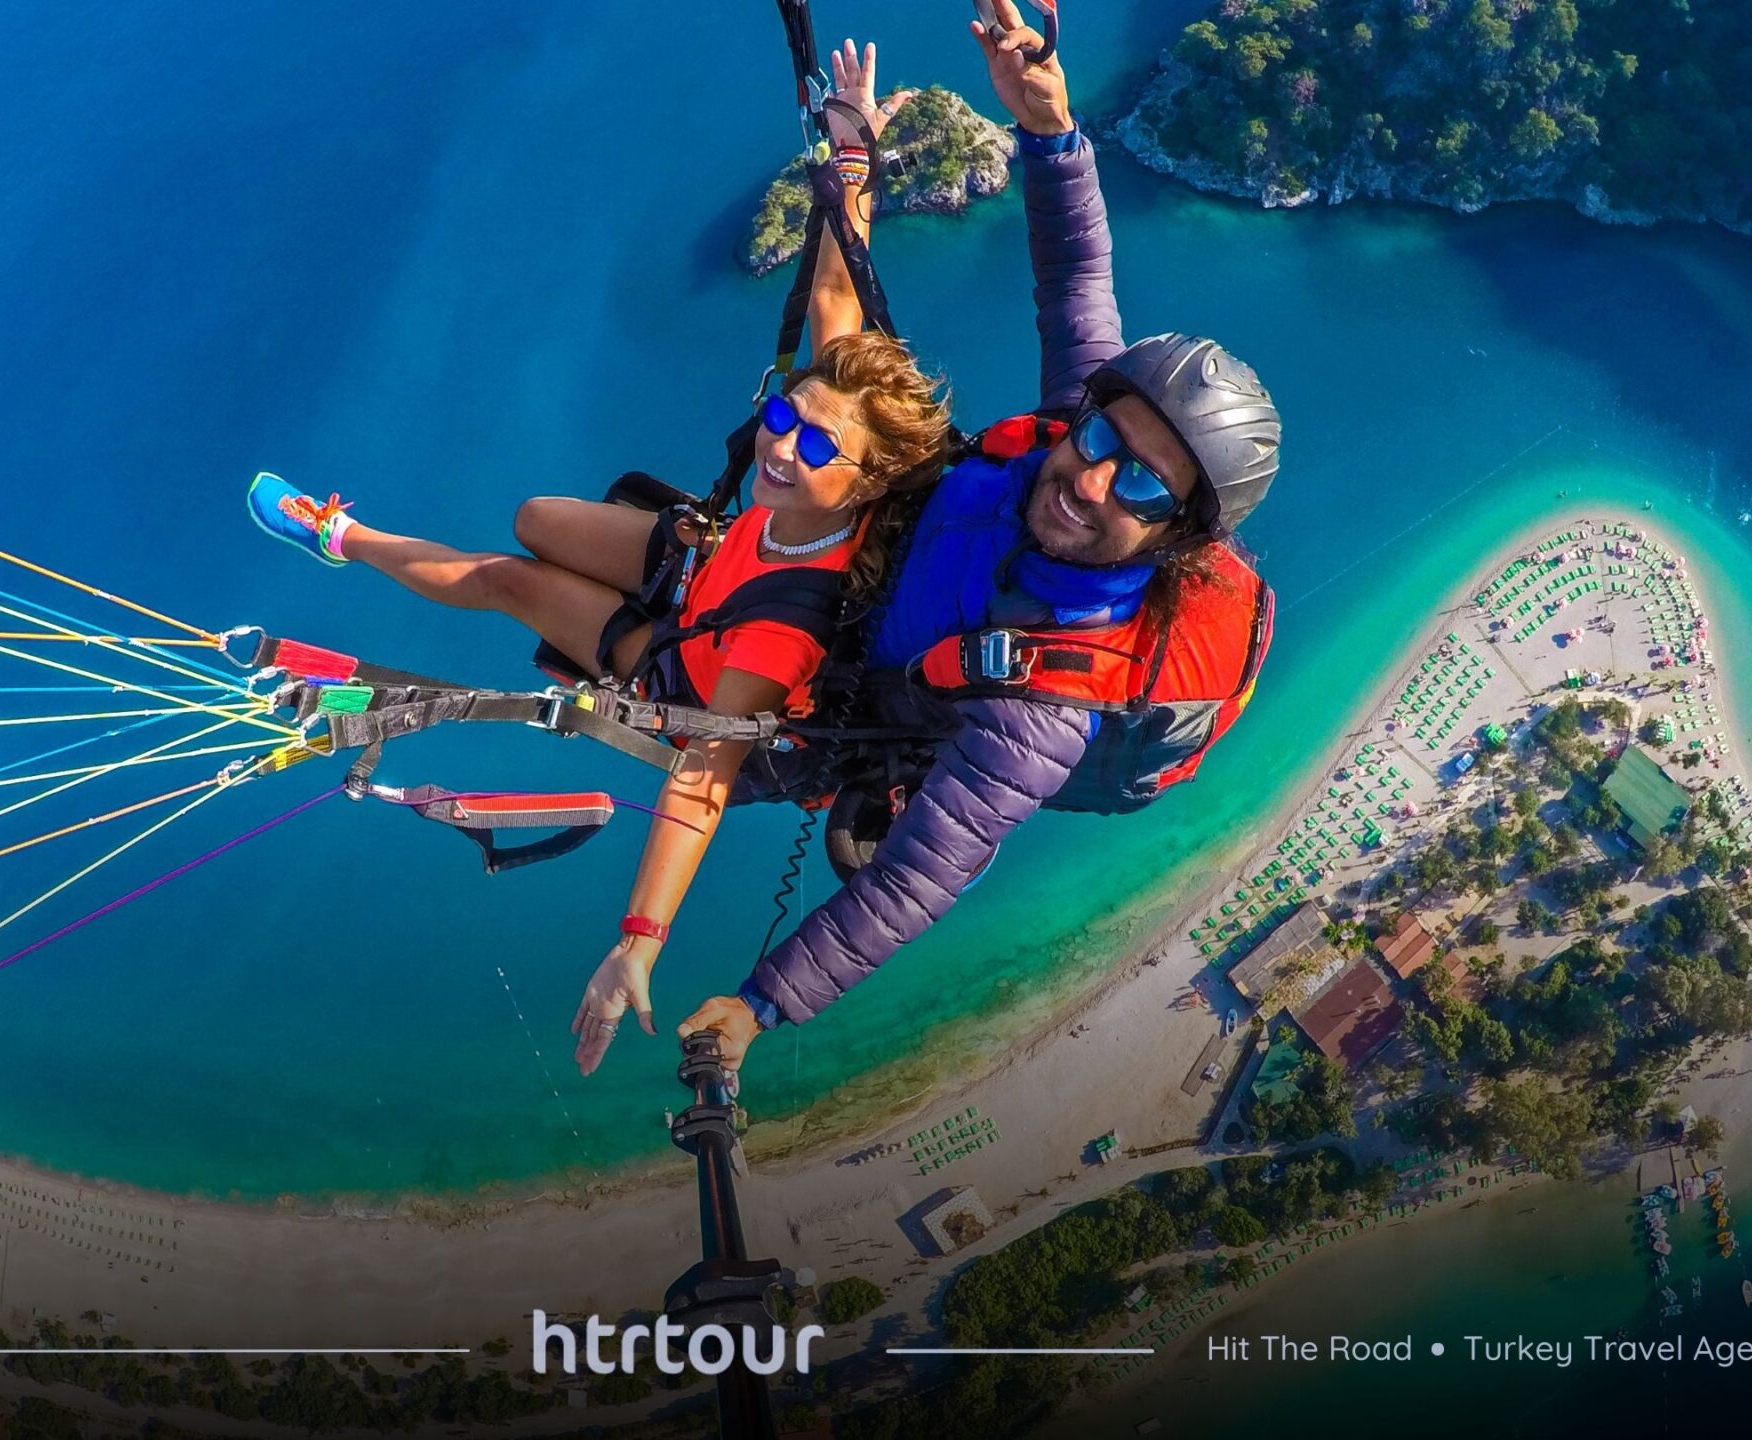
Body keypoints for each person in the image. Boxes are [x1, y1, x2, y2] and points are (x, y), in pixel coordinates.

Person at [247, 44, 954, 1078]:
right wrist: (851, 156)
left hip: (690, 664)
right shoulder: (811, 475)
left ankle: (337, 536)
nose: (775, 442)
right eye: (778, 415)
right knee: (536, 513)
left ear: (867, 478)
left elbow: (703, 782)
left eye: (808, 444)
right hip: (716, 567)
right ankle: (367, 541)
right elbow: (840, 297)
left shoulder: (786, 629)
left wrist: (638, 939)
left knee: (510, 582)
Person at [650, 0, 1286, 1077]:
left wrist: (761, 1005)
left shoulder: (1045, 715)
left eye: (1137, 482)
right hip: (890, 564)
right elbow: (1076, 280)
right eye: (1098, 436)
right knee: (807, 396)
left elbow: (914, 884)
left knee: (653, 695)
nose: (1086, 476)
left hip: (859, 694)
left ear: (1176, 536)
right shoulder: (1062, 441)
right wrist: (1048, 124)